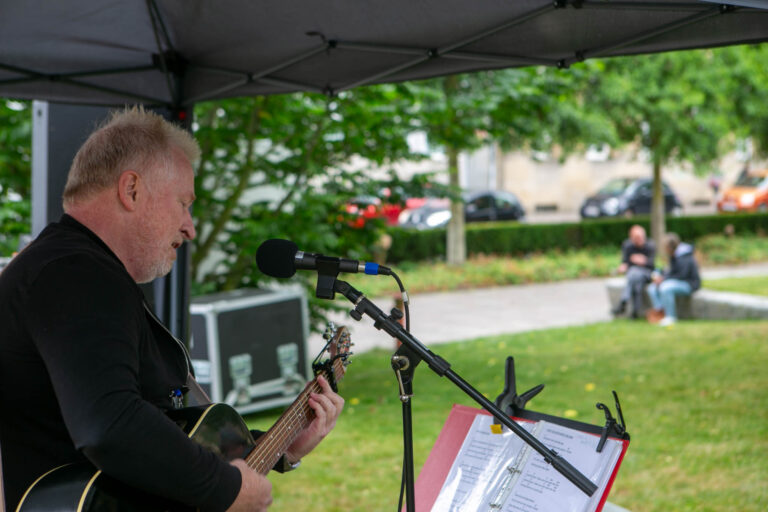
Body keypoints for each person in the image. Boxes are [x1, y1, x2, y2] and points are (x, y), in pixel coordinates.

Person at [0, 107, 344, 511]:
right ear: (131, 191)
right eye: (183, 203)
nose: (190, 227)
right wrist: (226, 488)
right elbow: (109, 425)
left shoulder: (73, 270)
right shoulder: (75, 274)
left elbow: (164, 433)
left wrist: (280, 448)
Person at [645, 232, 701, 327]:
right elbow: (671, 271)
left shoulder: (684, 256)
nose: (664, 250)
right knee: (652, 287)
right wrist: (659, 274)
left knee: (665, 287)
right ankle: (660, 312)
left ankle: (671, 317)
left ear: (670, 247)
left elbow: (682, 275)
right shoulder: (674, 255)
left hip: (689, 284)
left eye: (665, 247)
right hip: (676, 282)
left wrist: (663, 279)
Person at [612, 225, 656, 318]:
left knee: (634, 274)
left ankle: (623, 302)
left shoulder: (650, 245)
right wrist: (622, 267)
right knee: (636, 281)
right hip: (634, 276)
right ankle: (635, 312)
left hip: (646, 274)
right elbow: (625, 262)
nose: (638, 240)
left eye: (640, 237)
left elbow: (652, 265)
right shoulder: (628, 245)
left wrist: (643, 261)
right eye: (636, 238)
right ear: (631, 238)